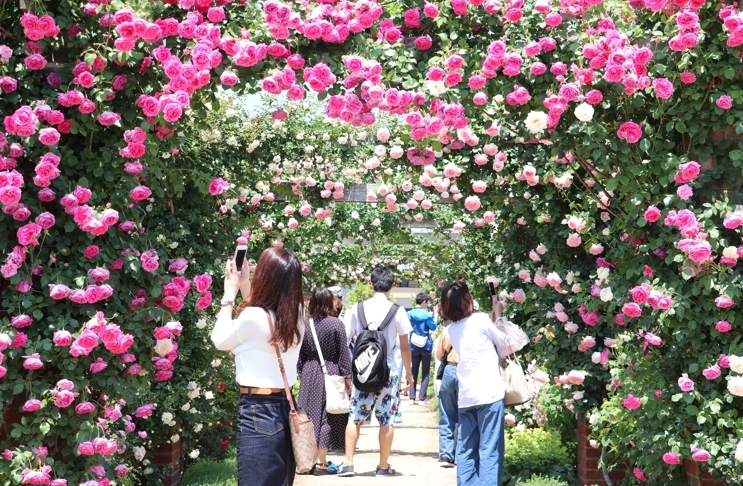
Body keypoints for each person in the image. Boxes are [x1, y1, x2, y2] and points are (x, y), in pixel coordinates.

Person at [211, 248, 305, 486]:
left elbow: (219, 340)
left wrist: (229, 294)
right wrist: (245, 285)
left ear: (265, 277)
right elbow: (264, 315)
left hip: (258, 409)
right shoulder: (297, 315)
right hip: (286, 407)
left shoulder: (253, 318)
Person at [338, 266, 414, 477]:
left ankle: (349, 463)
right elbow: (405, 346)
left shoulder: (357, 308)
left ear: (371, 284)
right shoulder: (398, 311)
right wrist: (408, 374)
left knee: (355, 416)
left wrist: (348, 371)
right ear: (391, 286)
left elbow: (346, 340)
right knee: (386, 419)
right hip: (387, 373)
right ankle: (382, 466)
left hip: (362, 370)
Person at [441, 281, 509, 486]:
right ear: (467, 300)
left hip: (467, 396)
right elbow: (503, 342)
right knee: (489, 450)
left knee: (466, 449)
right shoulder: (480, 319)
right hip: (489, 395)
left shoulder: (452, 329)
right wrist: (499, 315)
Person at [297, 288, 352, 476]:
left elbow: (300, 355)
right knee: (328, 415)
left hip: (309, 373)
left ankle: (308, 459)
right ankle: (321, 461)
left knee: (309, 416)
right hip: (331, 372)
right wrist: (347, 377)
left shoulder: (305, 324)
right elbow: (343, 353)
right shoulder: (336, 324)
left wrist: (301, 371)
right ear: (329, 302)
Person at [434, 322, 459, 468]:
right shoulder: (474, 328)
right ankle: (461, 455)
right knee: (466, 414)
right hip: (467, 371)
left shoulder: (448, 330)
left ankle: (446, 455)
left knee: (447, 414)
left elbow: (439, 354)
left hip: (449, 370)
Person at [407, 292, 439, 404]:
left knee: (413, 371)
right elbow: (433, 327)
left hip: (414, 345)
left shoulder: (409, 314)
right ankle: (422, 397)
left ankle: (411, 397)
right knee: (425, 372)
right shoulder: (427, 315)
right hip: (426, 345)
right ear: (424, 301)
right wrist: (435, 315)